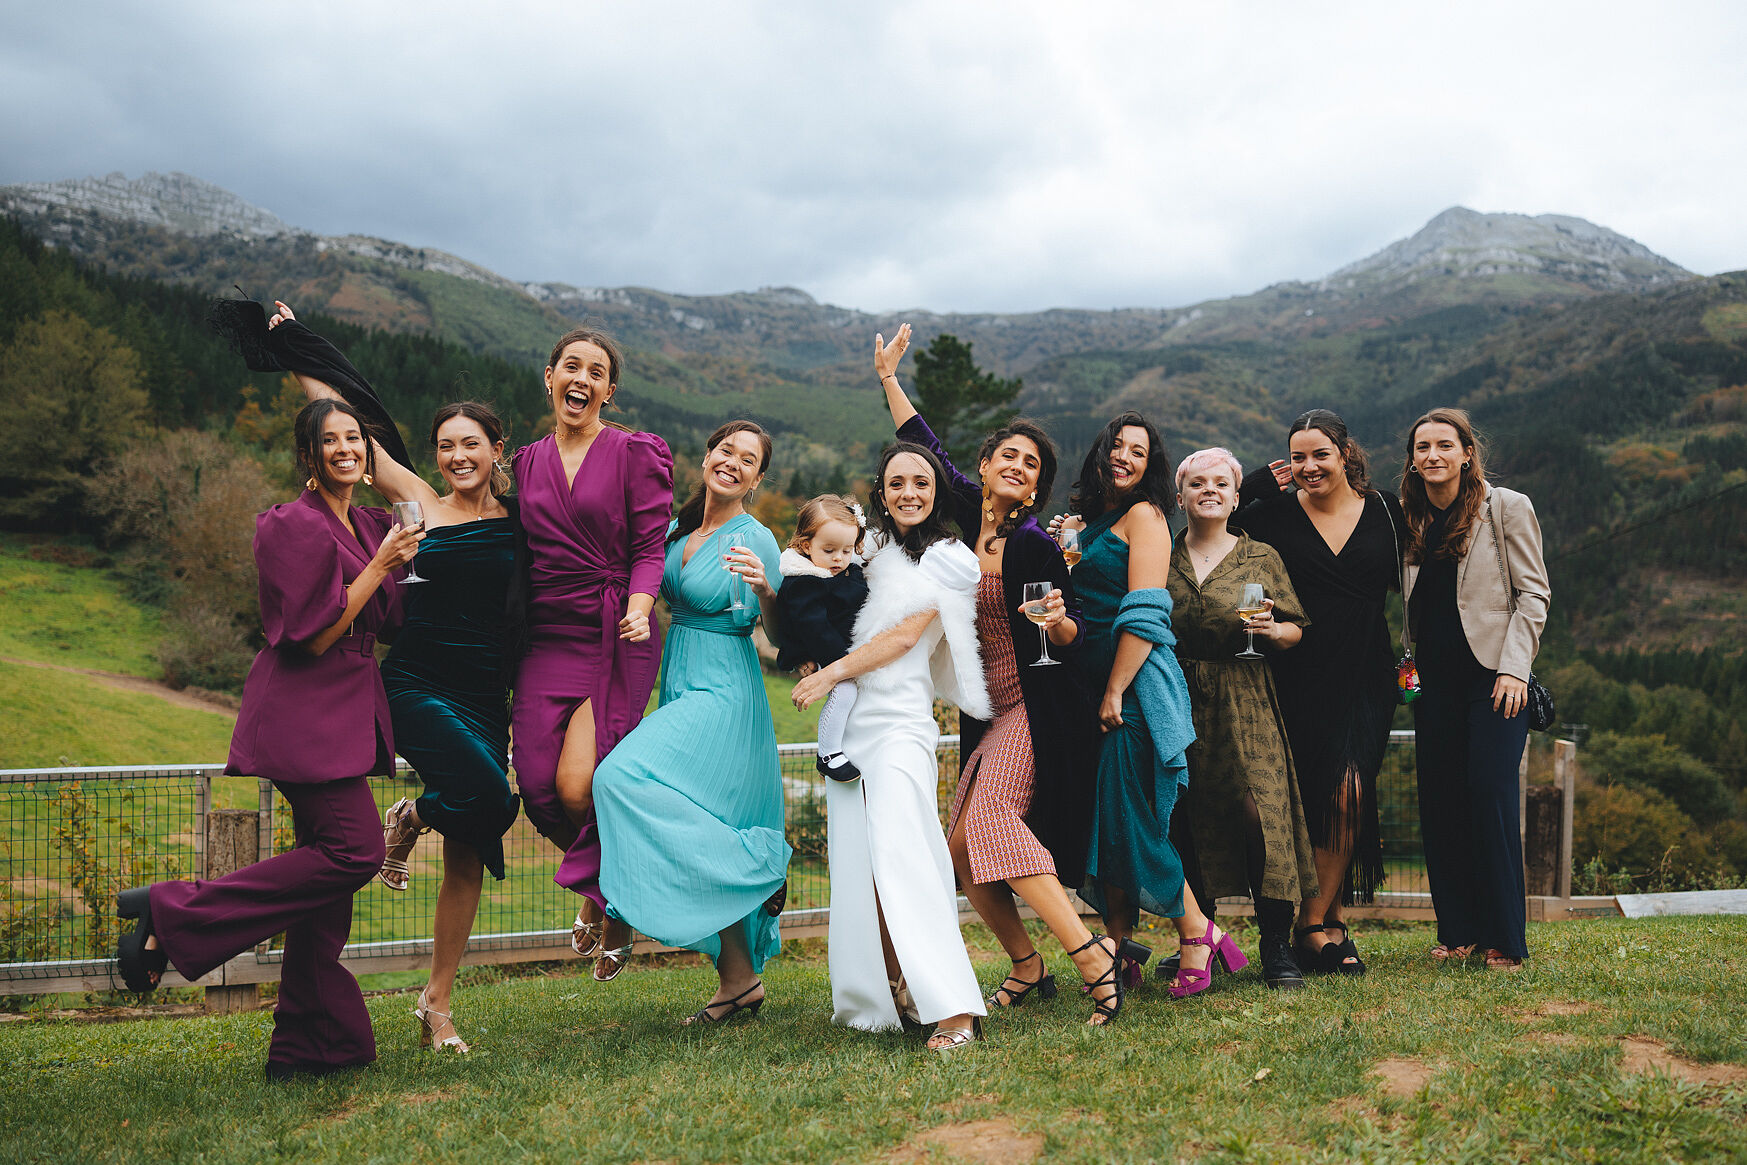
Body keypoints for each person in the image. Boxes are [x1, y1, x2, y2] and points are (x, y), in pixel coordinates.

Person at [115, 398, 420, 1078]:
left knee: (326, 885)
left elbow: (392, 614)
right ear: (307, 457)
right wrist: (378, 565)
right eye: (330, 441)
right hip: (302, 712)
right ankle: (173, 911)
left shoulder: (369, 520)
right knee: (354, 851)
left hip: (345, 712)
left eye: (355, 440)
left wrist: (393, 533)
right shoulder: (291, 525)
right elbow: (312, 633)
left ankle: (313, 1044)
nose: (345, 450)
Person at [266, 303, 521, 1054]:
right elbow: (347, 428)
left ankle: (437, 1004)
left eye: (470, 444)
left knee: (472, 841)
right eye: (445, 446)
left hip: (486, 694)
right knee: (486, 796)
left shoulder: (523, 513)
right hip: (415, 684)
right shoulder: (417, 502)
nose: (455, 456)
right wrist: (292, 350)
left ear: (496, 449)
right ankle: (411, 820)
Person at [872, 325, 1123, 1026]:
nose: (1016, 465)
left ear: (1038, 483)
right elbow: (923, 442)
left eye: (1030, 462)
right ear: (984, 467)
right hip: (984, 711)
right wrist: (889, 377)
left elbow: (1071, 629)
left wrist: (1055, 620)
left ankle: (1090, 955)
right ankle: (1025, 962)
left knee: (988, 818)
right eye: (1006, 454)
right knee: (957, 852)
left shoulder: (1035, 542)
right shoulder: (956, 515)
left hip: (1038, 707)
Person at [587, 421, 793, 1022]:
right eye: (725, 450)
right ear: (707, 457)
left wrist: (768, 592)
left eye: (747, 459)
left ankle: (758, 866)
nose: (732, 462)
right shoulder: (676, 528)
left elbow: (781, 640)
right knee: (707, 814)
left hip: (726, 690)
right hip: (677, 679)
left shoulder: (757, 538)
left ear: (758, 478)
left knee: (617, 778)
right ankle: (739, 981)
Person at [791, 441, 992, 1050]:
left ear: (936, 491)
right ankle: (888, 989)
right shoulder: (865, 548)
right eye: (897, 482)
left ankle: (954, 1007)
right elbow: (817, 598)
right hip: (851, 727)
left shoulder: (951, 558)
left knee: (909, 855)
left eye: (922, 483)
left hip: (902, 722)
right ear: (881, 490)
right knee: (861, 868)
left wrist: (829, 674)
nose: (909, 492)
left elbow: (905, 637)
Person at [1057, 415, 1249, 1000]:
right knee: (1105, 819)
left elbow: (1144, 612)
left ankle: (1198, 932)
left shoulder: (1147, 518)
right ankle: (1119, 944)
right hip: (1084, 689)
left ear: (1150, 466)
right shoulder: (1082, 524)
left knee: (1131, 816)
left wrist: (1116, 689)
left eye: (1137, 451)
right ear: (1098, 453)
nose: (1123, 456)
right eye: (1116, 445)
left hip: (1133, 688)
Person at [512, 327, 673, 981]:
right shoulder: (524, 462)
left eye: (595, 370)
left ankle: (606, 900)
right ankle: (612, 885)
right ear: (547, 377)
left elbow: (649, 546)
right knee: (538, 792)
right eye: (569, 366)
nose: (580, 378)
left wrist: (639, 603)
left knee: (582, 785)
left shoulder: (635, 452)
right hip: (546, 636)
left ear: (609, 389)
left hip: (616, 633)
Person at [1233, 408, 1405, 975]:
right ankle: (1329, 927)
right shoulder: (1274, 515)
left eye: (1320, 455)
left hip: (1366, 672)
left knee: (1350, 789)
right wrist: (1258, 481)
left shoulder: (1384, 509)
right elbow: (1207, 516)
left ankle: (1309, 924)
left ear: (1345, 454)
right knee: (1305, 798)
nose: (1310, 467)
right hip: (1294, 671)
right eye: (1298, 457)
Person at [1399, 408, 1549, 971]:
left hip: (1495, 682)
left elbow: (1533, 594)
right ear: (1412, 459)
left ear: (1467, 452)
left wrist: (1515, 668)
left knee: (1489, 796)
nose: (1432, 455)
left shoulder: (1506, 506)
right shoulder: (1410, 519)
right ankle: (1458, 931)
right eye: (1422, 447)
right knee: (1440, 805)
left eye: (1444, 444)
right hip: (1431, 685)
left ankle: (1506, 939)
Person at [1167, 447, 1318, 990]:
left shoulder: (1261, 557)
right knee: (1185, 816)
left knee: (1261, 815)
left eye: (1221, 484)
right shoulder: (1159, 553)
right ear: (1180, 496)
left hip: (1245, 694)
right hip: (1174, 695)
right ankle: (1196, 940)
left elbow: (1296, 626)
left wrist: (1274, 632)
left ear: (1235, 497)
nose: (1209, 490)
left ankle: (1276, 944)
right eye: (1197, 483)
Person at [775, 495, 871, 780]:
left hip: (839, 646)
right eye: (829, 550)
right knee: (845, 691)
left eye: (847, 549)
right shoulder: (804, 582)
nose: (839, 558)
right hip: (823, 650)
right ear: (806, 546)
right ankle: (828, 754)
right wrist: (840, 665)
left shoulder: (845, 570)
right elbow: (813, 628)